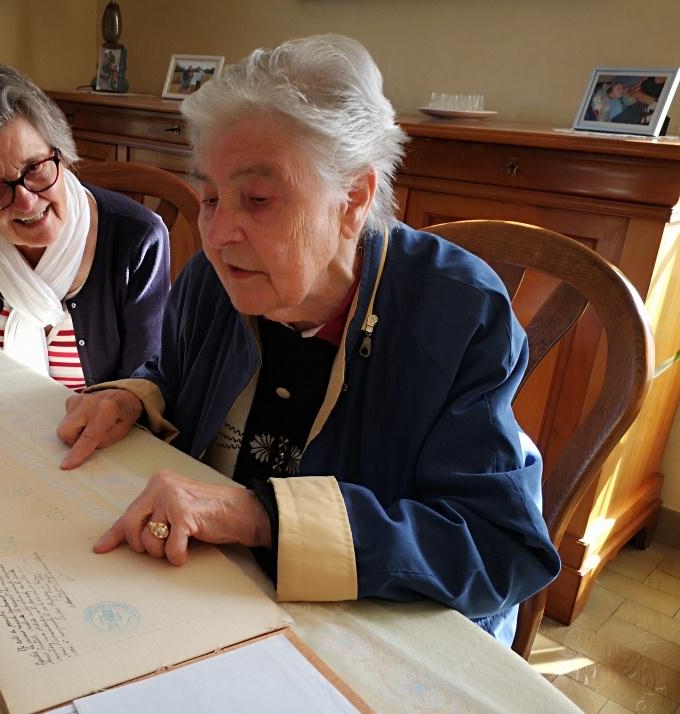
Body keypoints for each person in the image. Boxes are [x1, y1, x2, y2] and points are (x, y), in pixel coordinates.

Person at [56, 34, 560, 646]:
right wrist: (133, 397)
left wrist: (263, 517)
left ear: (353, 199)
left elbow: (497, 545)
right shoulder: (215, 282)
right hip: (206, 598)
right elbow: (176, 374)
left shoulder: (459, 313)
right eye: (210, 196)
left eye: (258, 199)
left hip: (373, 633)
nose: (215, 233)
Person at [0, 64, 170, 391]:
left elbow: (142, 390)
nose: (26, 202)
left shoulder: (137, 241)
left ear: (61, 154)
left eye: (34, 167)